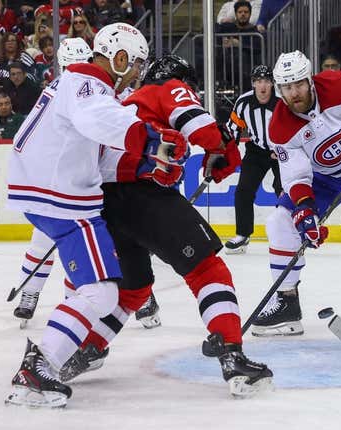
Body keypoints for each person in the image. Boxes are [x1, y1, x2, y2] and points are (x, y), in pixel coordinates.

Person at [58, 54, 272, 397]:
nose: (190, 90)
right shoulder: (166, 88)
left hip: (105, 201)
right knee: (207, 270)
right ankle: (232, 354)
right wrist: (221, 146)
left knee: (134, 289)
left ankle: (89, 348)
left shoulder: (126, 102)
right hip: (142, 195)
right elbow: (198, 124)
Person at [4, 23, 182, 409]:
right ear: (119, 59)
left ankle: (59, 351)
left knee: (84, 285)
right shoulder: (88, 84)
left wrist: (145, 163)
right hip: (62, 198)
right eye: (135, 65)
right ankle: (40, 364)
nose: (137, 74)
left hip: (49, 194)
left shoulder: (76, 85)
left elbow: (95, 147)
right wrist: (152, 140)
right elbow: (95, 120)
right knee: (100, 291)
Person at [250, 50, 341, 336]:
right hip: (324, 177)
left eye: (299, 84)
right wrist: (305, 212)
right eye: (287, 87)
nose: (294, 93)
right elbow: (296, 176)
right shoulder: (280, 127)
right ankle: (287, 304)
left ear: (309, 80)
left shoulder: (337, 86)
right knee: (281, 221)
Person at [224, 64, 282, 254]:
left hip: (282, 152)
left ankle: (291, 234)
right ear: (253, 84)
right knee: (243, 191)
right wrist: (224, 150)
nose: (263, 86)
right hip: (256, 151)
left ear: (272, 84)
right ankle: (243, 234)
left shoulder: (282, 101)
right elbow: (233, 128)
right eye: (258, 81)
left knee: (283, 191)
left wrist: (283, 149)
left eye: (266, 81)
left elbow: (296, 127)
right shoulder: (244, 102)